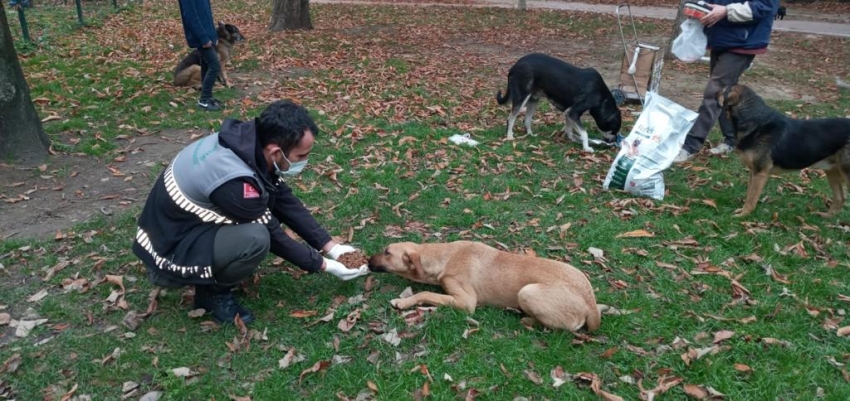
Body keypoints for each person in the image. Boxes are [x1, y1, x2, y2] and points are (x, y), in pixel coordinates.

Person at [132, 100, 369, 324]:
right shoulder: (234, 183)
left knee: (259, 224)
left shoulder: (248, 142)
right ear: (276, 151)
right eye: (301, 156)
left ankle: (215, 269)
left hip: (175, 230)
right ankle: (212, 294)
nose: (305, 161)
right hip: (170, 252)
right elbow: (273, 234)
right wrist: (324, 265)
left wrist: (331, 246)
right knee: (255, 239)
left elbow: (282, 198)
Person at [673, 0, 778, 163]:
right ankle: (731, 139)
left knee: (714, 92)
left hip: (743, 41)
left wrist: (726, 11)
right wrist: (700, 7)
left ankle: (690, 145)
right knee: (724, 93)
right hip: (721, 38)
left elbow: (766, 6)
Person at [177, 0, 222, 111]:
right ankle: (204, 100)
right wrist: (203, 38)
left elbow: (207, 15)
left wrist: (213, 36)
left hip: (208, 35)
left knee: (206, 64)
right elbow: (191, 17)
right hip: (200, 37)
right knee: (215, 65)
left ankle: (208, 97)